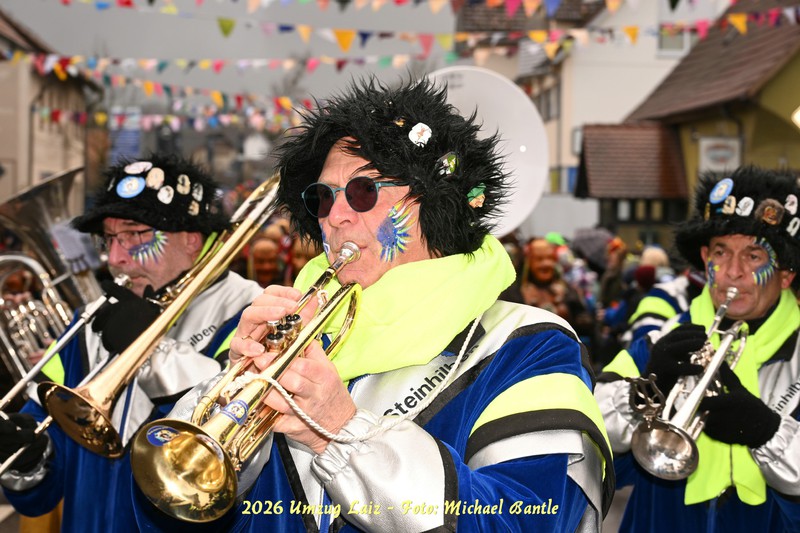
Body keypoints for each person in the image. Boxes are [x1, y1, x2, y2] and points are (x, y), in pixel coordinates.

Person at [132, 76, 614, 531]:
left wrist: (340, 431)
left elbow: (529, 520)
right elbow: (175, 510)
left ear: (433, 203)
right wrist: (225, 398)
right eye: (323, 198)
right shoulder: (295, 328)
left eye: (363, 191)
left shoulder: (527, 344)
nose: (335, 216)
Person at [0, 154, 263, 532]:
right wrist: (27, 458)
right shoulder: (90, 320)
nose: (115, 258)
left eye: (135, 236)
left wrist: (151, 350)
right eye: (109, 239)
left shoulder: (249, 312)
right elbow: (44, 485)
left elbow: (239, 445)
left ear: (191, 239)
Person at [596, 166, 800, 532]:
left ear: (786, 274)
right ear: (706, 258)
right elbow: (590, 430)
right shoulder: (663, 339)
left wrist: (767, 432)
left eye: (754, 256)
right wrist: (646, 390)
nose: (732, 271)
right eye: (721, 252)